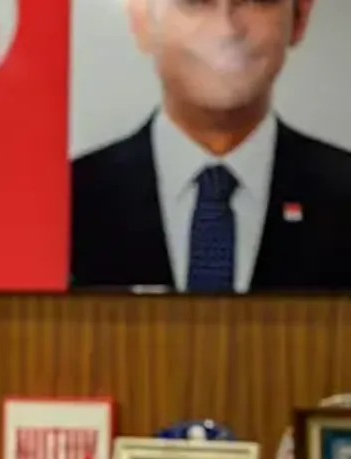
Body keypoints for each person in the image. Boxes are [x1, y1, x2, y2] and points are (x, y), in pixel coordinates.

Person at [71, 0, 351, 293]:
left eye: (256, 1)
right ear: (141, 19)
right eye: (195, 2)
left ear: (299, 18)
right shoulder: (69, 200)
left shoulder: (342, 194)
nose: (226, 30)